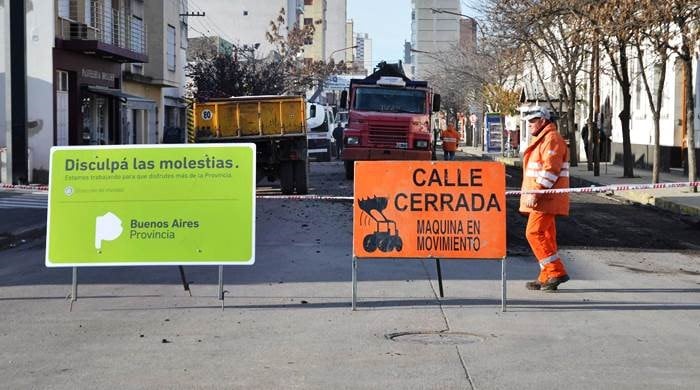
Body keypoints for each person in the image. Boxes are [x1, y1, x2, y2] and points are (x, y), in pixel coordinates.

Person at [520, 106, 570, 291]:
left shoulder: (552, 139)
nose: (530, 124)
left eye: (533, 121)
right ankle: (546, 276)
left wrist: (536, 191)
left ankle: (556, 271)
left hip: (545, 198)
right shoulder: (545, 139)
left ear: (543, 121)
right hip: (545, 198)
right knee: (547, 237)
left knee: (533, 233)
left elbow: (550, 169)